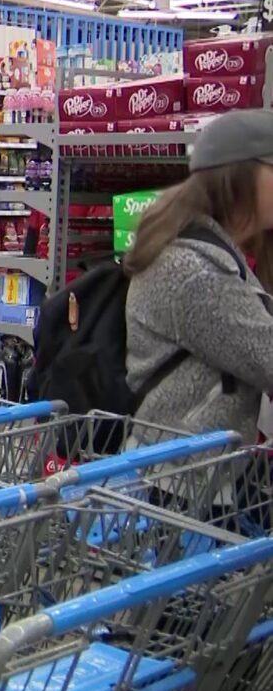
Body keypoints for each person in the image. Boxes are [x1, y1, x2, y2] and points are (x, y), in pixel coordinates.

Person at [126, 109, 273, 442]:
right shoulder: (193, 273)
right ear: (242, 176)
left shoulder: (222, 250)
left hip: (200, 470)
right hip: (178, 480)